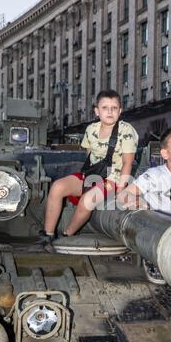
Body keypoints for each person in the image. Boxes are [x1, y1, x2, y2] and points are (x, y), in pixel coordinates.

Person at [42, 89, 138, 242]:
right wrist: (88, 180)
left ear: (120, 111)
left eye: (114, 108)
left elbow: (127, 162)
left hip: (114, 179)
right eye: (105, 108)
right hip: (92, 175)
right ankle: (47, 235)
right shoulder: (91, 129)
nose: (110, 112)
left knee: (87, 201)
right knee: (57, 187)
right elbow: (89, 157)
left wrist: (121, 189)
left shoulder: (126, 131)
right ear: (97, 111)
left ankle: (67, 235)